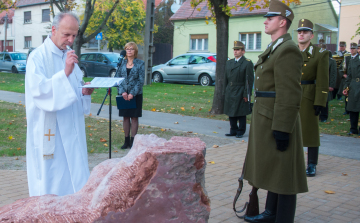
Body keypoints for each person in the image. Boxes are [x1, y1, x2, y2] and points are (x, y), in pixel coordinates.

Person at [243, 1, 308, 222]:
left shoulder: (288, 49)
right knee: (274, 168)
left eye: (270, 18)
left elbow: (289, 94)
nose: (265, 21)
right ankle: (271, 213)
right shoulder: (276, 47)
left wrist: (282, 128)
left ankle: (283, 217)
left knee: (284, 172)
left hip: (278, 119)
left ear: (282, 22)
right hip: (266, 116)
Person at [25, 12, 94, 196]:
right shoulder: (37, 57)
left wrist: (84, 92)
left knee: (75, 180)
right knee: (53, 179)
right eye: (66, 35)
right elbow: (40, 92)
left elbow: (74, 89)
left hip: (72, 131)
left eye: (74, 35)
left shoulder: (68, 56)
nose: (70, 40)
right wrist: (64, 73)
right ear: (54, 30)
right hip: (50, 132)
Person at [297, 19, 329, 177]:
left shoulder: (320, 54)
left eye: (305, 32)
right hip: (292, 94)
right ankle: (293, 162)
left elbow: (323, 80)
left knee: (311, 132)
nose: (301, 34)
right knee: (290, 130)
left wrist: (320, 102)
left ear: (311, 35)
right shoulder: (292, 51)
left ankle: (311, 164)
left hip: (309, 95)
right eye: (299, 31)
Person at [115, 42, 145, 149]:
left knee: (134, 118)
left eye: (131, 49)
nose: (129, 51)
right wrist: (123, 92)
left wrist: (132, 93)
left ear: (135, 51)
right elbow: (117, 79)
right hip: (123, 95)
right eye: (127, 49)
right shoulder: (121, 63)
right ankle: (126, 140)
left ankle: (133, 141)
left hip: (135, 95)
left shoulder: (140, 63)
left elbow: (140, 81)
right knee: (126, 117)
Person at [224, 41, 254, 138]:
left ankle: (241, 131)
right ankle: (233, 129)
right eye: (235, 50)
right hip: (230, 89)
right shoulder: (229, 63)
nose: (235, 52)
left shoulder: (247, 63)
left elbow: (249, 80)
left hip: (241, 89)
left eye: (238, 50)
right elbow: (225, 78)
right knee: (231, 110)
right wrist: (225, 90)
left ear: (243, 51)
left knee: (241, 111)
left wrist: (246, 94)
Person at [343, 42, 360, 136]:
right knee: (353, 108)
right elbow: (349, 75)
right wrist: (346, 87)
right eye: (359, 48)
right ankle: (353, 129)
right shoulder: (353, 60)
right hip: (354, 85)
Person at [318, 40, 337, 122]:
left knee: (325, 101)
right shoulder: (317, 59)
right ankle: (317, 115)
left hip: (326, 83)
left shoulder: (331, 61)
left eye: (322, 49)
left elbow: (333, 74)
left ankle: (324, 117)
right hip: (317, 83)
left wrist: (331, 85)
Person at [339, 43, 358, 115]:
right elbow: (341, 68)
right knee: (347, 94)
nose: (352, 50)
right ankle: (347, 109)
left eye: (354, 48)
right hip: (347, 79)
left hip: (355, 79)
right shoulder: (347, 58)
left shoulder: (358, 58)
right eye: (351, 49)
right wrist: (343, 75)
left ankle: (353, 110)